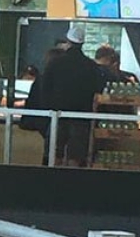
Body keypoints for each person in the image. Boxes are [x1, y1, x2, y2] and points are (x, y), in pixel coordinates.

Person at [42, 24, 105, 166]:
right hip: (81, 116)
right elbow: (98, 89)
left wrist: (49, 108)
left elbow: (45, 88)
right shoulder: (91, 66)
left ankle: (50, 178)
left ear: (68, 41)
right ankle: (73, 179)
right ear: (82, 43)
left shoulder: (55, 63)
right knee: (76, 156)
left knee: (54, 154)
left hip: (57, 114)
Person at [20, 47, 67, 165]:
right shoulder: (61, 82)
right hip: (54, 125)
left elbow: (32, 102)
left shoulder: (41, 80)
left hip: (38, 123)